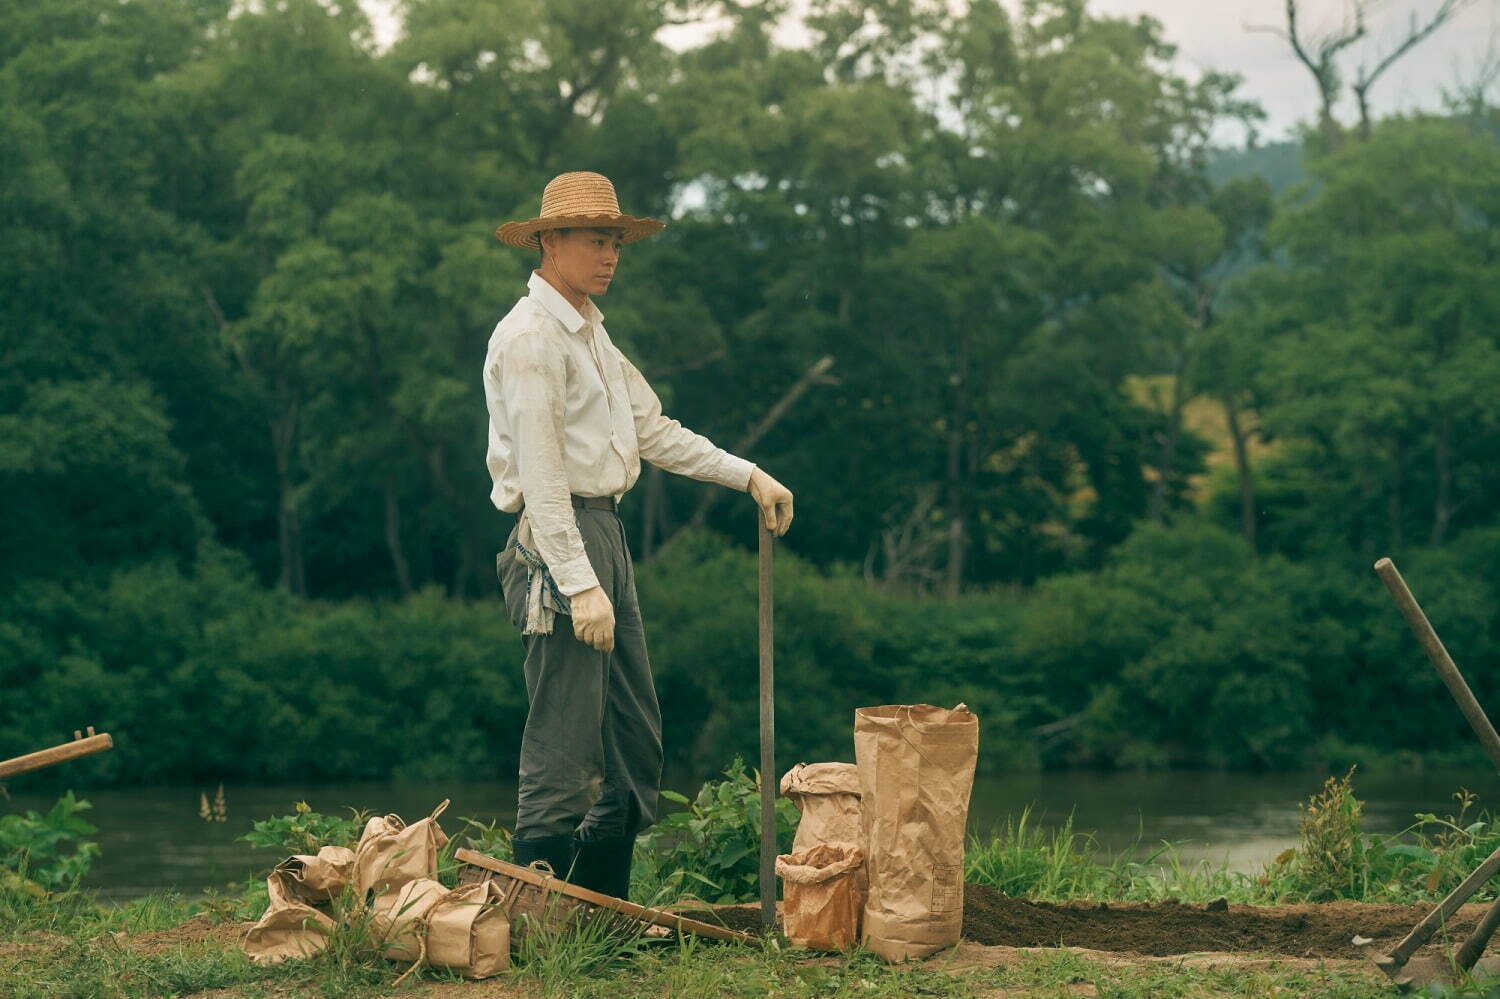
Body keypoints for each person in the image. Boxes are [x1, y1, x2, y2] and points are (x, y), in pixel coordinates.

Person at [484, 171, 794, 900]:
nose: (610, 253)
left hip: (605, 532)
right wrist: (578, 581)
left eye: (616, 240)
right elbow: (542, 472)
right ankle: (541, 922)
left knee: (633, 734)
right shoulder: (531, 339)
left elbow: (651, 428)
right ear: (549, 241)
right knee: (565, 733)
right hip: (560, 540)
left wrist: (747, 474)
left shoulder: (590, 331)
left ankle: (603, 913)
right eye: (596, 239)